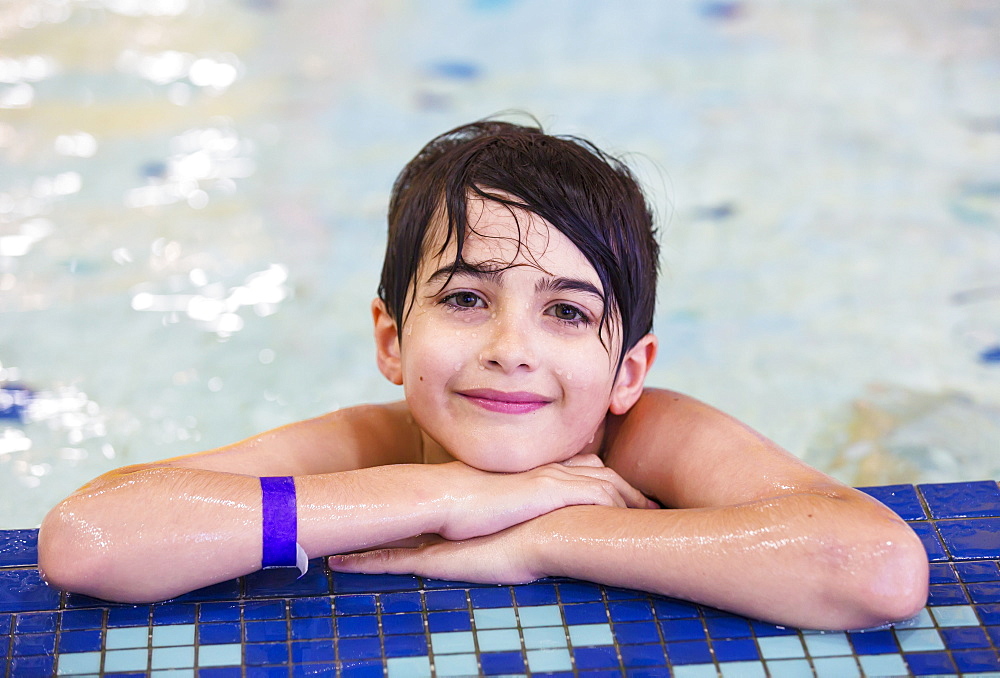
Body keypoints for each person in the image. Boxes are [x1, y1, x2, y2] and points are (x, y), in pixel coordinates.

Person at [38, 118, 928, 630]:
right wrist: (444, 496)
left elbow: (874, 568)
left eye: (568, 312)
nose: (513, 346)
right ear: (391, 339)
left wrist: (544, 539)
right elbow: (93, 539)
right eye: (466, 299)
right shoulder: (366, 442)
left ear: (628, 371)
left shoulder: (648, 433)